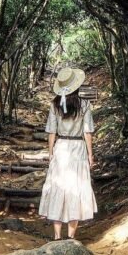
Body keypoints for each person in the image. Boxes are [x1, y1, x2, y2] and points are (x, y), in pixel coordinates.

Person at [38, 67, 97, 240]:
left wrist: (50, 153)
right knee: (75, 189)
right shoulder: (85, 105)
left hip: (61, 147)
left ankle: (57, 236)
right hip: (78, 149)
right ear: (76, 86)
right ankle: (71, 237)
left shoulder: (54, 105)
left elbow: (51, 132)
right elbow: (87, 132)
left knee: (58, 187)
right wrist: (90, 154)